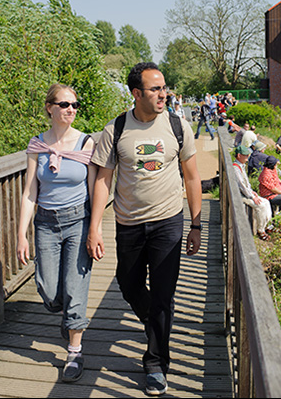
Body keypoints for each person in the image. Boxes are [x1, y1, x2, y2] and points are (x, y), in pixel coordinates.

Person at [88, 62, 202, 396]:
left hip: (168, 220)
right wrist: (95, 227)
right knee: (128, 283)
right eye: (154, 89)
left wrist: (195, 224)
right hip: (129, 223)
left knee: (164, 295)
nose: (162, 94)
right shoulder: (117, 129)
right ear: (136, 93)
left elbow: (192, 177)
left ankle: (155, 364)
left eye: (163, 87)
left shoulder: (178, 126)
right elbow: (102, 181)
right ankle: (156, 323)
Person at [16, 84, 96, 383]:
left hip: (79, 221)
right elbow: (29, 192)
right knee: (49, 291)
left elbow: (94, 191)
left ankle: (74, 351)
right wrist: (21, 234)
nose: (71, 110)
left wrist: (96, 229)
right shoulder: (37, 144)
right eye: (64, 104)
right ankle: (67, 314)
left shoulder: (86, 143)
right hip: (46, 224)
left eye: (75, 105)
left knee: (76, 288)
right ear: (50, 107)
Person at [232, 144, 272, 240]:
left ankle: (267, 225)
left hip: (246, 193)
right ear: (239, 155)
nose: (247, 156)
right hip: (240, 195)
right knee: (260, 206)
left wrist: (252, 192)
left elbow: (246, 183)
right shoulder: (235, 168)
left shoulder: (241, 166)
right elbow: (241, 185)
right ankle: (260, 230)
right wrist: (252, 196)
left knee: (266, 202)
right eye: (245, 155)